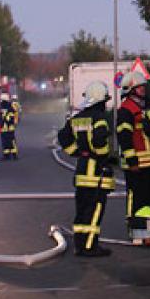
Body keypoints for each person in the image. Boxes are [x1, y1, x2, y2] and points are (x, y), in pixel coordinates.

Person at [57, 81, 115, 257]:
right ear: (100, 101)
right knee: (95, 210)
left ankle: (79, 245)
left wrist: (77, 153)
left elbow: (63, 137)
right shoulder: (100, 119)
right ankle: (90, 247)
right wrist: (104, 156)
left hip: (82, 170)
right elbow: (99, 142)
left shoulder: (77, 118)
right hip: (96, 172)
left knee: (82, 210)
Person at [115, 71, 150, 233]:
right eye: (139, 88)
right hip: (136, 163)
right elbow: (124, 137)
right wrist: (132, 160)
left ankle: (149, 224)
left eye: (143, 87)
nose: (143, 90)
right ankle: (133, 224)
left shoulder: (147, 106)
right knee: (136, 195)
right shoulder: (126, 110)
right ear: (130, 89)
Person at [0, 92, 18, 160]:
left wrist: (4, 119)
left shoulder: (7, 107)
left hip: (6, 127)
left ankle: (10, 155)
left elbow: (10, 117)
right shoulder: (9, 106)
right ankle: (11, 155)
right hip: (7, 128)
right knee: (8, 142)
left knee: (8, 142)